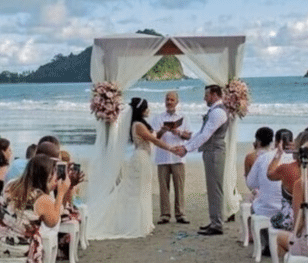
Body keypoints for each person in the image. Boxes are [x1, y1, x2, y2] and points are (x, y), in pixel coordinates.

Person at [87, 97, 178, 239]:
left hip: (145, 158)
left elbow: (153, 137)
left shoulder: (141, 124)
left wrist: (162, 131)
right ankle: (138, 224)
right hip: (140, 159)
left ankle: (144, 223)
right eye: (146, 108)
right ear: (141, 110)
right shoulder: (138, 125)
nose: (149, 110)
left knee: (143, 190)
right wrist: (171, 148)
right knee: (138, 191)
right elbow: (153, 140)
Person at [173, 85, 230, 236]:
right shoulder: (215, 111)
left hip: (215, 153)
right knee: (212, 189)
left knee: (215, 189)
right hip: (211, 152)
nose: (204, 98)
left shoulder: (218, 112)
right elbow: (201, 133)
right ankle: (214, 220)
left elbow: (206, 135)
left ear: (215, 95)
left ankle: (217, 224)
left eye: (207, 95)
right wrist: (186, 141)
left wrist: (186, 149)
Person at [150, 91, 191, 224]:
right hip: (162, 156)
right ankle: (165, 214)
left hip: (178, 156)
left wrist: (178, 132)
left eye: (172, 100)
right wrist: (163, 130)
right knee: (163, 187)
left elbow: (189, 136)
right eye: (167, 100)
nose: (169, 102)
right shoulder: (158, 117)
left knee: (179, 186)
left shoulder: (183, 117)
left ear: (177, 102)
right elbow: (154, 137)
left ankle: (180, 214)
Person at [267, 131, 308, 231]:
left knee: (274, 221)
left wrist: (278, 154)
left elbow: (269, 174)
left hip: (292, 219)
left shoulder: (287, 169)